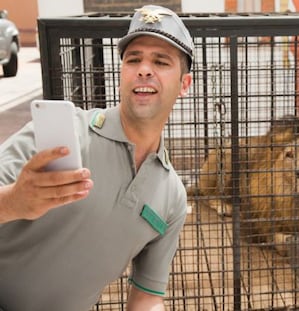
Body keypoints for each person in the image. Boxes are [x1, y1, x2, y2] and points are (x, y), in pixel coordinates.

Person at [0, 4, 193, 311]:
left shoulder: (172, 197)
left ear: (185, 84)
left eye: (161, 61)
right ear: (122, 73)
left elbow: (147, 295)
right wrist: (14, 201)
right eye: (134, 59)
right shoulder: (64, 136)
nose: (144, 69)